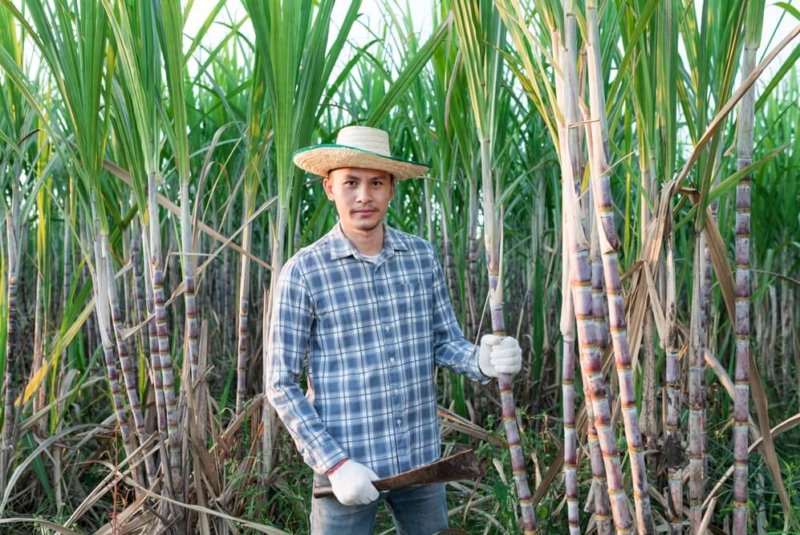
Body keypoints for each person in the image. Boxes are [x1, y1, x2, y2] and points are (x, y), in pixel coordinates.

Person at [266, 125, 523, 534]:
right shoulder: (304, 271)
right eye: (351, 182)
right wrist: (335, 465)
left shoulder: (420, 256)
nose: (363, 195)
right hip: (347, 466)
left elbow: (444, 341)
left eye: (375, 183)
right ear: (330, 187)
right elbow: (280, 383)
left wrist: (483, 360)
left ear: (391, 189)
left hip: (420, 461)